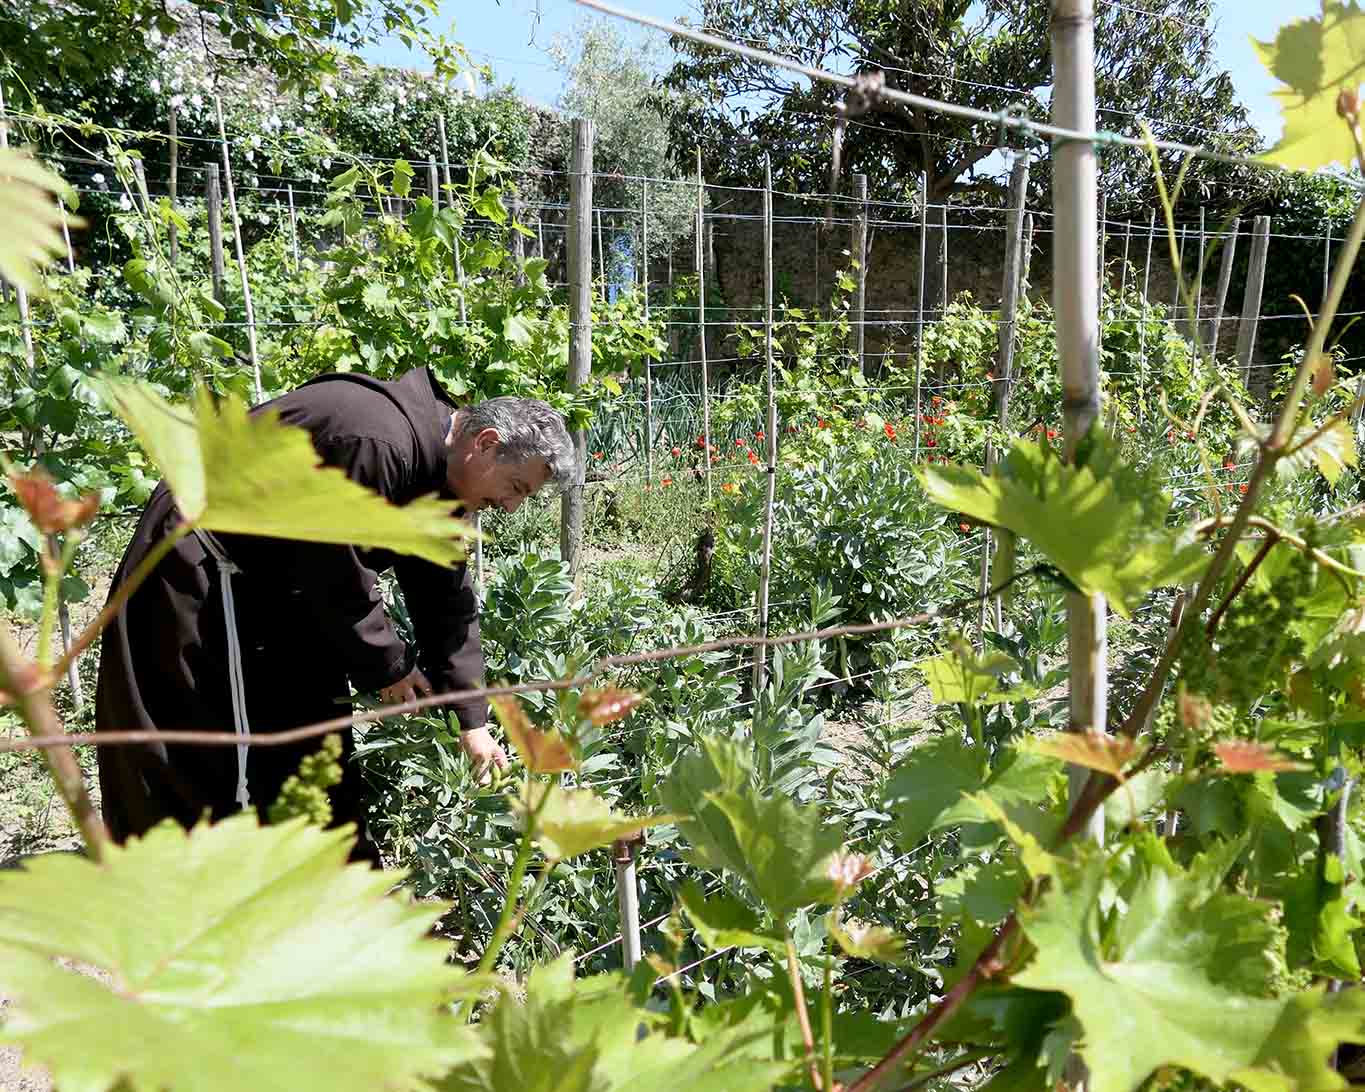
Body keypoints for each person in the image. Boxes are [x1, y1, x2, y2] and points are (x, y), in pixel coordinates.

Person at [94, 366, 573, 861]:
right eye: (516, 487)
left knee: (309, 737)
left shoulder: (442, 478)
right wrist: (390, 664)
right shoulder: (376, 443)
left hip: (278, 578)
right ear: (486, 443)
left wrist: (472, 718)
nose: (512, 507)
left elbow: (446, 599)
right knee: (209, 745)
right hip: (202, 560)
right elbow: (333, 571)